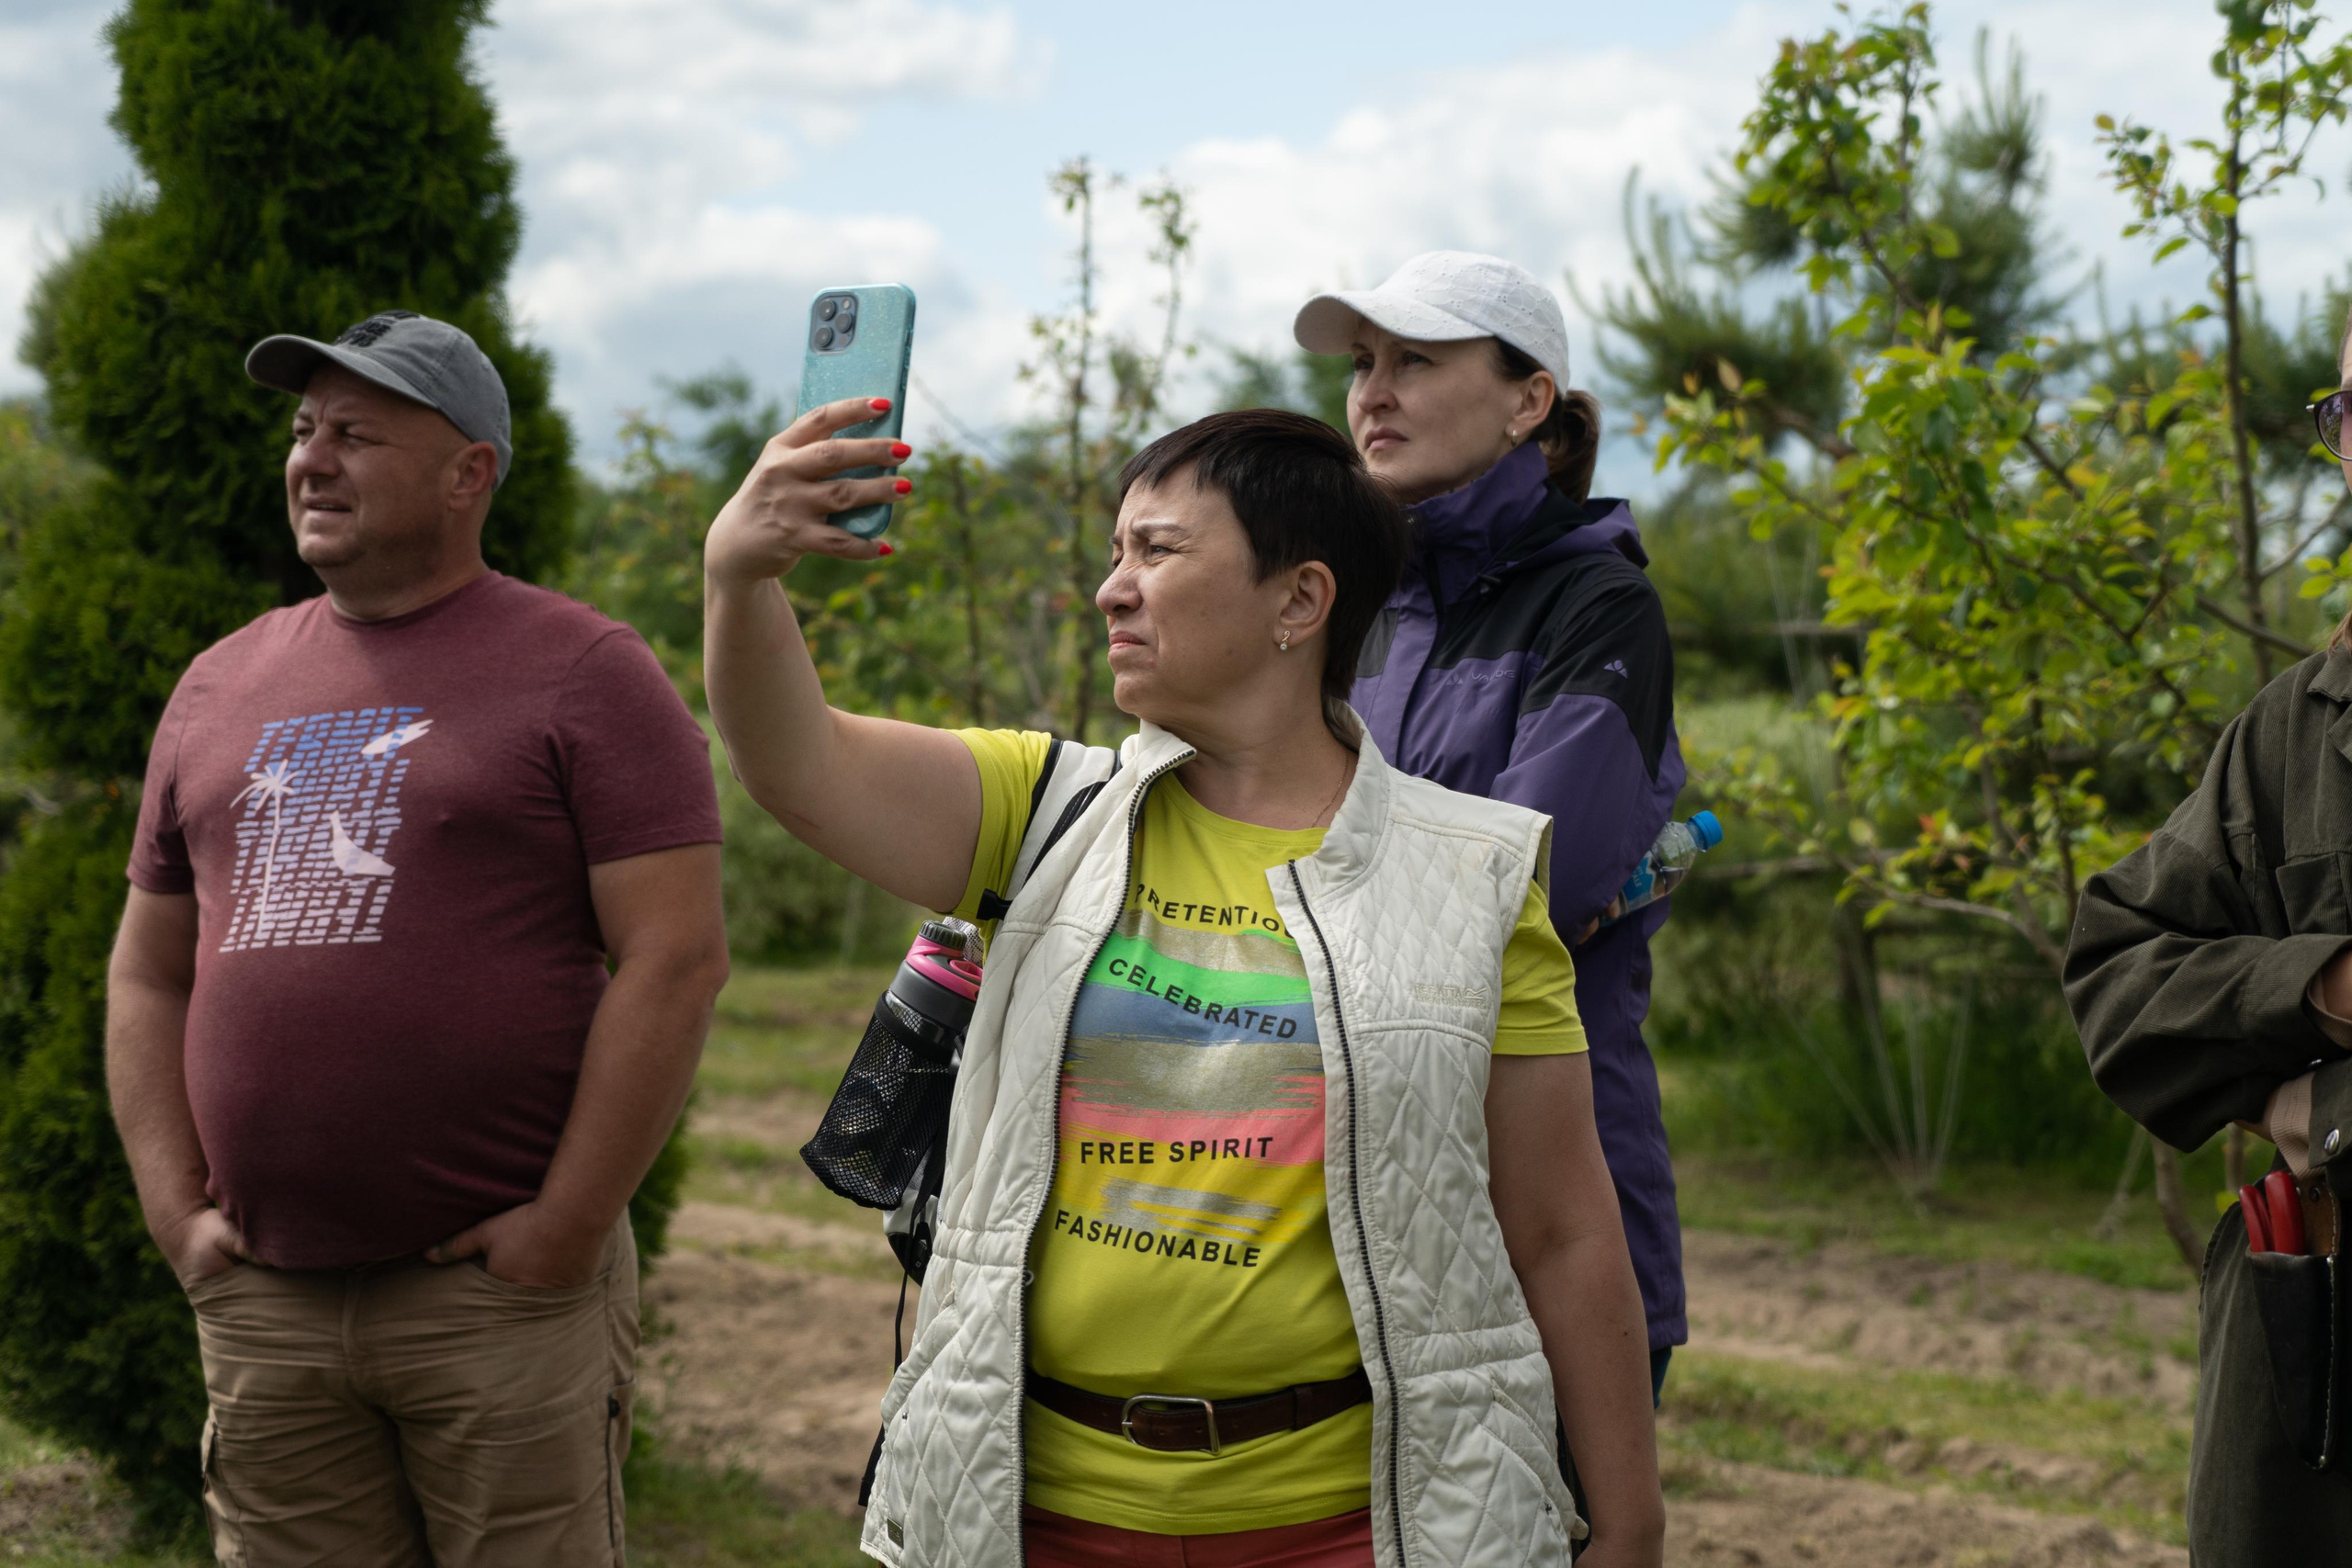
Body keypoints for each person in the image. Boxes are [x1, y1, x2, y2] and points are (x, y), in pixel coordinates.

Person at [705, 404, 1664, 1568]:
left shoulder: (1469, 873)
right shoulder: (1042, 813)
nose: (1113, 588)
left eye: (1157, 551)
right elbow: (795, 764)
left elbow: (1562, 1227)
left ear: (1298, 603)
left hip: (1350, 1526)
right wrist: (740, 578)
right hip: (1032, 1509)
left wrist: (1625, 1521)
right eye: (1116, 553)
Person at [106, 310, 730, 1567]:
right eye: (302, 429)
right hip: (266, 1297)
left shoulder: (585, 668)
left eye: (358, 433)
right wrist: (178, 1212)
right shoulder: (220, 682)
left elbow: (675, 955)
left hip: (494, 1301)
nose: (312, 459)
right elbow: (147, 968)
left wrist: (565, 1225)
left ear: (469, 474)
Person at [1294, 253, 1688, 1402]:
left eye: (1416, 358)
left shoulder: (1597, 607)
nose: (1372, 390)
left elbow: (1523, 887)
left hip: (1541, 1191)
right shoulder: (1342, 606)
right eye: (1365, 362)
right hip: (1336, 1188)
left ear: (1529, 402)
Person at [2064, 324, 2352, 1557]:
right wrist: (2323, 990)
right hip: (2322, 1351)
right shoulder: (2294, 728)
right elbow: (2119, 969)